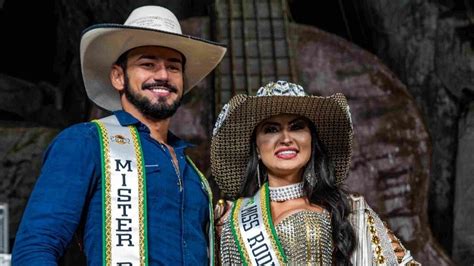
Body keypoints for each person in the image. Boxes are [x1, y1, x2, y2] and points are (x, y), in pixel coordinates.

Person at [12, 5, 226, 265]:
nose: (162, 75)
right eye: (148, 64)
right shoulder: (86, 142)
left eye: (173, 67)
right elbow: (35, 248)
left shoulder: (193, 173)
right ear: (117, 76)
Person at [211, 81, 420, 265]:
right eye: (271, 129)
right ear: (257, 148)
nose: (286, 138)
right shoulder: (230, 217)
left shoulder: (348, 212)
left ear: (311, 140)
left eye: (297, 127)